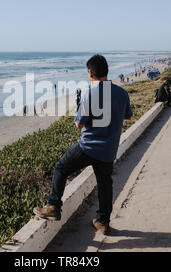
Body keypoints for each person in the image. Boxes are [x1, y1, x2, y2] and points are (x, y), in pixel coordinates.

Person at [33, 55, 133, 235]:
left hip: (88, 146)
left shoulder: (89, 93)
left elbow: (79, 124)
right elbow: (127, 115)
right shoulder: (121, 92)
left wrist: (79, 104)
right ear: (107, 71)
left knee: (61, 168)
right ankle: (102, 221)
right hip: (108, 149)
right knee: (104, 184)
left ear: (90, 72)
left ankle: (53, 206)